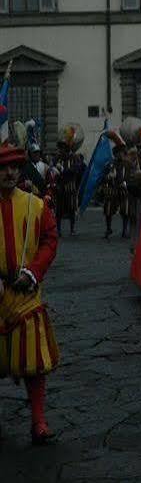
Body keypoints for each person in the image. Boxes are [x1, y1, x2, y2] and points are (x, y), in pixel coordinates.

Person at [0, 141, 60, 444]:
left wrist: (32, 271)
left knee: (34, 360)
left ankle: (38, 422)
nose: (9, 173)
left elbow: (50, 239)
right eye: (3, 167)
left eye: (13, 167)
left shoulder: (36, 205)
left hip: (26, 291)